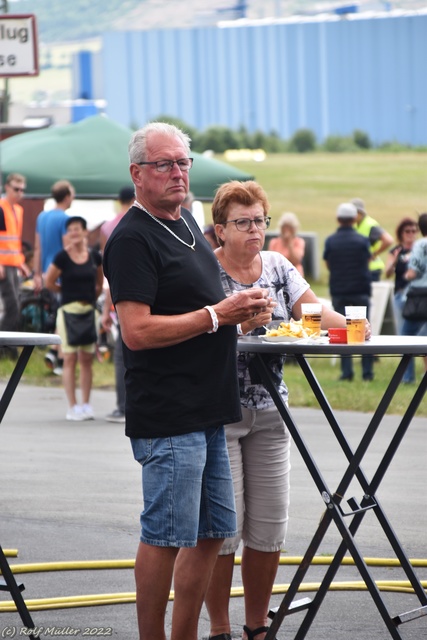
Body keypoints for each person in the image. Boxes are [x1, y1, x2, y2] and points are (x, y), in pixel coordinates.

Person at [102, 122, 272, 640]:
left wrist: (242, 315)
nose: (178, 173)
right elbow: (136, 332)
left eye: (183, 162)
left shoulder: (187, 225)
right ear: (138, 173)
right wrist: (219, 315)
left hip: (208, 407)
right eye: (164, 164)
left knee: (214, 532)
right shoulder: (132, 237)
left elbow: (199, 311)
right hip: (169, 411)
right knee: (167, 534)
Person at [204, 181, 354, 640]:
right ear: (220, 230)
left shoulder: (277, 266)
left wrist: (354, 327)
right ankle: (220, 629)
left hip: (272, 411)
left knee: (269, 528)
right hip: (220, 412)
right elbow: (193, 332)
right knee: (222, 531)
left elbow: (312, 314)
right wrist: (235, 322)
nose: (255, 230)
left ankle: (257, 626)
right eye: (243, 222)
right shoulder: (205, 271)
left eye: (260, 220)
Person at [45, 216, 103, 421]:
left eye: (77, 229)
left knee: (86, 359)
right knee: (69, 358)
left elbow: (99, 283)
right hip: (68, 311)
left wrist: (90, 298)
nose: (74, 233)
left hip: (88, 312)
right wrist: (65, 291)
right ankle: (72, 406)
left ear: (85, 231)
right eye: (70, 230)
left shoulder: (95, 256)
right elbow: (49, 281)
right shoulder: (62, 257)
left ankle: (86, 404)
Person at [323, 202, 374, 381]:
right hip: (360, 289)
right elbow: (367, 260)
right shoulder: (362, 240)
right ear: (354, 219)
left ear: (338, 219)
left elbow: (328, 263)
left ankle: (346, 372)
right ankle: (367, 372)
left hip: (339, 289)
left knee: (342, 331)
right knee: (364, 330)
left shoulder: (331, 241)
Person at [100, 185, 135, 423]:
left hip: (118, 294)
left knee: (122, 355)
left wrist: (106, 306)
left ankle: (122, 405)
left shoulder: (107, 226)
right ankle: (131, 405)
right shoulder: (139, 221)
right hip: (142, 294)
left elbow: (107, 271)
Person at [33, 180, 75, 373]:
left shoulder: (42, 217)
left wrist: (36, 275)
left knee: (56, 313)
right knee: (63, 315)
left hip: (45, 272)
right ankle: (57, 355)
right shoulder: (65, 219)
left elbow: (37, 248)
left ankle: (53, 352)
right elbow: (68, 248)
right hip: (61, 273)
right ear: (67, 196)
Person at [0, 173, 31, 358]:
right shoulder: (1, 207)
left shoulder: (17, 210)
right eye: (16, 189)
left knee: (15, 305)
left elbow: (14, 241)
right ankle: (6, 349)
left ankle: (6, 348)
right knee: (12, 306)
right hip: (3, 265)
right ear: (7, 188)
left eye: (22, 190)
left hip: (12, 264)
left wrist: (21, 262)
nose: (20, 193)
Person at [400, 212, 427, 383]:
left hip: (419, 296)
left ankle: (408, 377)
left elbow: (413, 271)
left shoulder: (420, 245)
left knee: (407, 337)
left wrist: (406, 276)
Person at [385, 217, 419, 333]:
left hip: (417, 295)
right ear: (401, 233)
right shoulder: (396, 251)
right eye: (407, 231)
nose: (411, 234)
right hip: (400, 292)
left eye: (414, 231)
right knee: (402, 326)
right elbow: (387, 273)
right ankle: (405, 351)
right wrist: (394, 261)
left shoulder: (420, 250)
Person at [351, 198, 393, 281]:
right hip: (361, 268)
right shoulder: (355, 225)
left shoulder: (370, 224)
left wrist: (374, 255)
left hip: (371, 269)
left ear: (360, 213)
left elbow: (388, 240)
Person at [268, 211, 305, 275]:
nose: (286, 230)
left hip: (294, 271)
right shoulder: (274, 242)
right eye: (285, 227)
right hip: (277, 272)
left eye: (289, 228)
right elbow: (270, 261)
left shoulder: (299, 242)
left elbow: (296, 261)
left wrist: (290, 244)